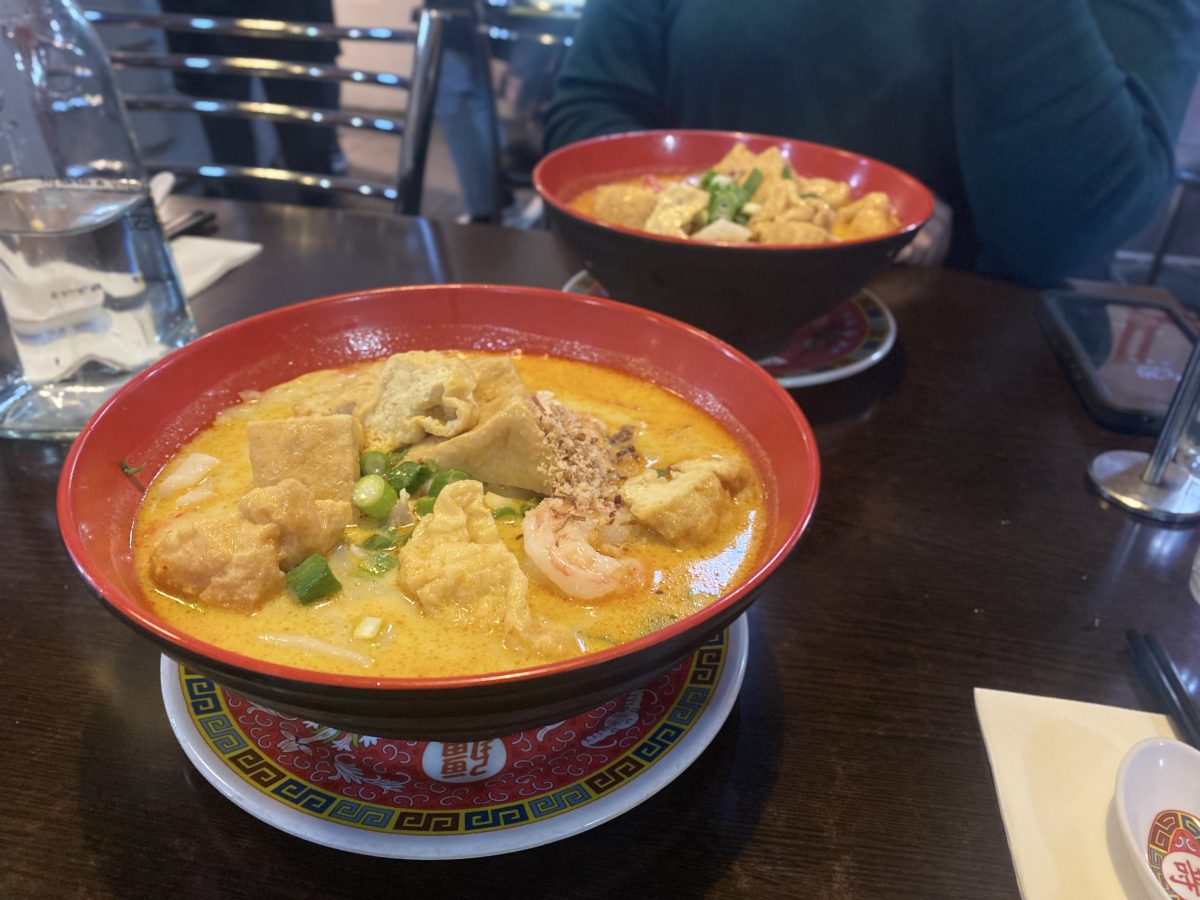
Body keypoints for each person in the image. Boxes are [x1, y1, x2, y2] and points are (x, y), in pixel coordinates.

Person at [543, 1, 1200, 286]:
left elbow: (1074, 231)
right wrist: (709, 210)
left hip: (968, 389)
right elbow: (589, 117)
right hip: (674, 301)